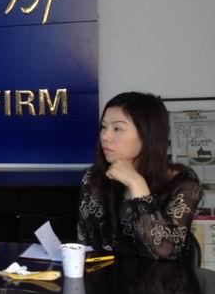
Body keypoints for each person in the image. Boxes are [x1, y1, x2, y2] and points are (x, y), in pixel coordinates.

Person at [77, 91, 203, 260]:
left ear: (147, 134)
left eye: (117, 128)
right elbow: (84, 243)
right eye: (104, 126)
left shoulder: (183, 183)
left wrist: (136, 184)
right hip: (104, 275)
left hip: (161, 277)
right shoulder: (95, 176)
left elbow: (165, 251)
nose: (105, 136)